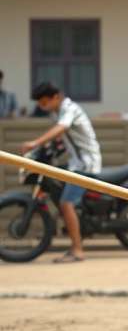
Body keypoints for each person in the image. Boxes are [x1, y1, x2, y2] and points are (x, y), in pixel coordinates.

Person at [21, 82, 102, 262]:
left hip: (85, 165)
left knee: (66, 203)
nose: (42, 107)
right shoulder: (56, 112)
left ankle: (78, 250)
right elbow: (61, 138)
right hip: (76, 163)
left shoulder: (69, 109)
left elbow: (61, 128)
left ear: (55, 97)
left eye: (44, 102)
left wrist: (35, 143)